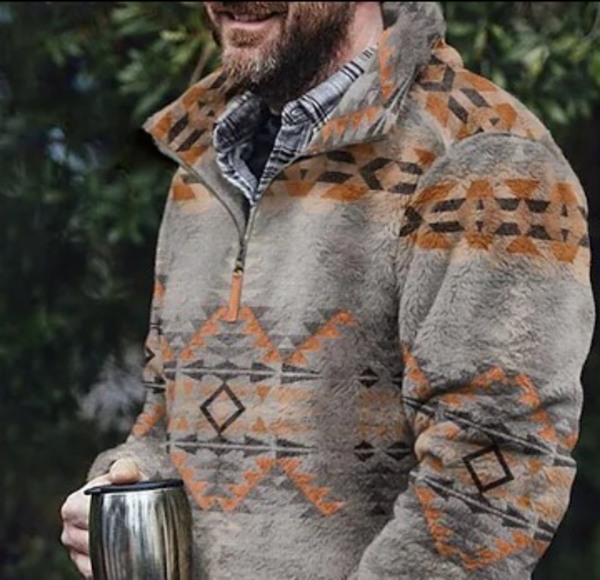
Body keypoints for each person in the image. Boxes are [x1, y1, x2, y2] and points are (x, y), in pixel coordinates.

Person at [60, 2, 595, 578]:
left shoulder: (487, 157)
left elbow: (493, 477)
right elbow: (166, 415)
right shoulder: (203, 161)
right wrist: (129, 485)